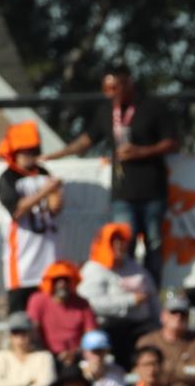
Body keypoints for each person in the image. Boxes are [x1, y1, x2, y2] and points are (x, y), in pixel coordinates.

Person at [50, 64, 178, 285]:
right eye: (106, 89)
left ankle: (153, 290)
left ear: (128, 83)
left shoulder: (152, 107)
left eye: (114, 88)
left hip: (152, 189)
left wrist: (142, 151)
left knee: (154, 243)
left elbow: (173, 142)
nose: (110, 94)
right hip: (122, 193)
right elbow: (86, 141)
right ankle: (126, 287)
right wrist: (55, 155)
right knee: (122, 243)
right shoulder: (106, 112)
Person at [0, 121, 62, 313]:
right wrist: (44, 191)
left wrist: (56, 192)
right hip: (22, 256)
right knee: (20, 312)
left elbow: (55, 208)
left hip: (47, 253)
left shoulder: (43, 173)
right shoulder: (8, 177)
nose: (30, 156)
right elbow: (17, 210)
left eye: (33, 151)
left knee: (48, 308)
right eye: (25, 152)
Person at [78, 223, 157, 365]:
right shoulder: (94, 269)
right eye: (115, 241)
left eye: (123, 241)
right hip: (110, 325)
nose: (120, 245)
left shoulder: (133, 266)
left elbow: (152, 294)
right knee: (119, 338)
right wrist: (130, 300)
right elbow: (90, 303)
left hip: (141, 324)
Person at [137, 289, 195, 386]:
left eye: (183, 313)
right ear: (163, 316)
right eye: (173, 312)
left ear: (188, 317)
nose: (178, 316)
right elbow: (142, 372)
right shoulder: (147, 342)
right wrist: (182, 368)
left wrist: (165, 368)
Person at [24, 261, 97, 363]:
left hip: (78, 356)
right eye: (58, 280)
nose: (62, 284)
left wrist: (76, 353)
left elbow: (91, 334)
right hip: (46, 357)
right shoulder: (38, 300)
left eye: (66, 280)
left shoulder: (82, 304)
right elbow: (32, 331)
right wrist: (47, 354)